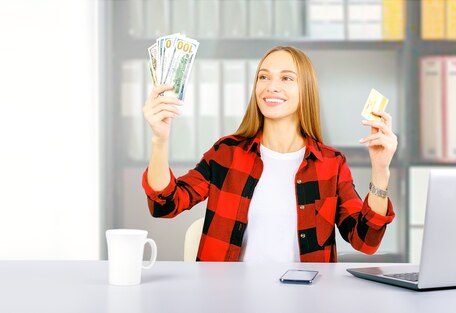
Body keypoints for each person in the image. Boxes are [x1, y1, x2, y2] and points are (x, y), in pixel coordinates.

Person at [141, 46, 397, 262]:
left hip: (307, 300)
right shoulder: (227, 153)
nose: (271, 86)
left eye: (286, 78)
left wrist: (380, 170)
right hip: (227, 299)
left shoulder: (331, 163)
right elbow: (166, 204)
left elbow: (365, 241)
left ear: (305, 89)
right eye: (264, 77)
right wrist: (158, 139)